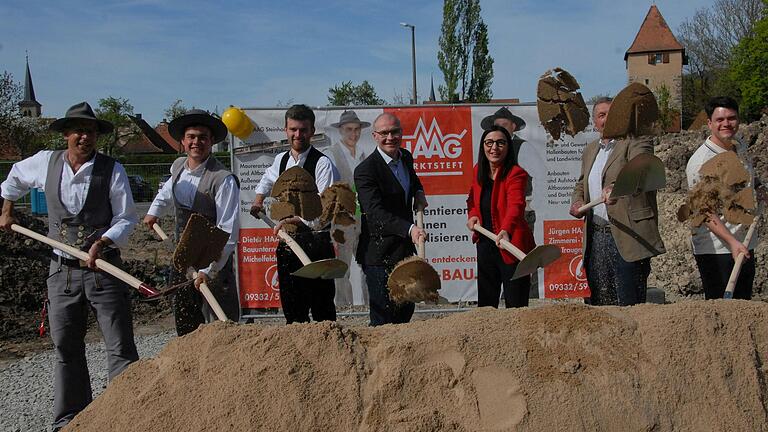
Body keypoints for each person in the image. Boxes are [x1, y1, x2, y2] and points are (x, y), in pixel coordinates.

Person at [0, 102, 139, 431]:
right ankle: (70, 420)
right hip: (60, 272)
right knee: (66, 346)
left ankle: (128, 417)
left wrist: (103, 242)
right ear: (66, 133)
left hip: (103, 270)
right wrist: (6, 211)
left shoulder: (111, 169)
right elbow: (13, 179)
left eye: (90, 131)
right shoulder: (45, 162)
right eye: (78, 130)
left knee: (119, 345)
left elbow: (126, 218)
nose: (84, 136)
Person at [143, 109, 241, 335]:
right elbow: (166, 193)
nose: (197, 142)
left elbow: (227, 231)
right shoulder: (177, 167)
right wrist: (154, 212)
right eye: (192, 137)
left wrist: (209, 269)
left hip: (213, 259)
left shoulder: (223, 179)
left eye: (203, 137)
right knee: (185, 317)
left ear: (212, 142)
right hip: (183, 257)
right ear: (183, 141)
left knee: (221, 323)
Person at [569, 97, 665, 305]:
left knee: (629, 303)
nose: (607, 119)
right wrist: (577, 201)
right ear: (595, 123)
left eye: (612, 114)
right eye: (602, 115)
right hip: (596, 237)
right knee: (599, 304)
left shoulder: (637, 140)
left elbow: (641, 170)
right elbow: (581, 184)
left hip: (628, 237)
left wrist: (617, 187)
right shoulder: (590, 150)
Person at [249, 104, 340, 324]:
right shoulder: (281, 160)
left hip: (316, 245)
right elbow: (267, 180)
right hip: (288, 246)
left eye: (303, 129)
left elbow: (324, 210)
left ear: (311, 131)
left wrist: (296, 219)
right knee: (293, 309)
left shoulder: (322, 164)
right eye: (293, 129)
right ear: (286, 130)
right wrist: (258, 200)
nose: (297, 134)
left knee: (322, 310)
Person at [354, 112, 428, 326]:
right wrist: (410, 229)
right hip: (379, 256)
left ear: (401, 133)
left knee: (405, 311)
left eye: (394, 132)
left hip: (403, 253)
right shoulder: (365, 171)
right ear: (375, 136)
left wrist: (419, 190)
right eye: (384, 133)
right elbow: (374, 212)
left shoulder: (405, 157)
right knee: (384, 319)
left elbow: (412, 180)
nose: (390, 137)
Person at [685, 96, 758, 299]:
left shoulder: (739, 146)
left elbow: (743, 179)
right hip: (717, 250)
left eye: (731, 118)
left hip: (746, 241)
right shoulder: (701, 162)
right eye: (720, 119)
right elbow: (704, 211)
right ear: (709, 123)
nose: (726, 123)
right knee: (722, 313)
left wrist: (759, 189)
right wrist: (732, 242)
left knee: (744, 307)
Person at [466, 125, 535, 308]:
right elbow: (472, 200)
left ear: (508, 147)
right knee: (487, 304)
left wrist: (506, 230)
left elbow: (516, 205)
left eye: (500, 143)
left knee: (516, 303)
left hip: (511, 244)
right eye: (489, 143)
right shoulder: (477, 171)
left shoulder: (516, 173)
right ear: (483, 146)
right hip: (486, 244)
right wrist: (473, 215)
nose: (494, 148)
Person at [324, 110, 370, 306]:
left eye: (357, 129)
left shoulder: (362, 155)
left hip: (363, 217)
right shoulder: (331, 155)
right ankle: (344, 307)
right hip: (341, 219)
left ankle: (370, 306)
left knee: (367, 264)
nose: (354, 134)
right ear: (341, 131)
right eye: (349, 130)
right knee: (342, 267)